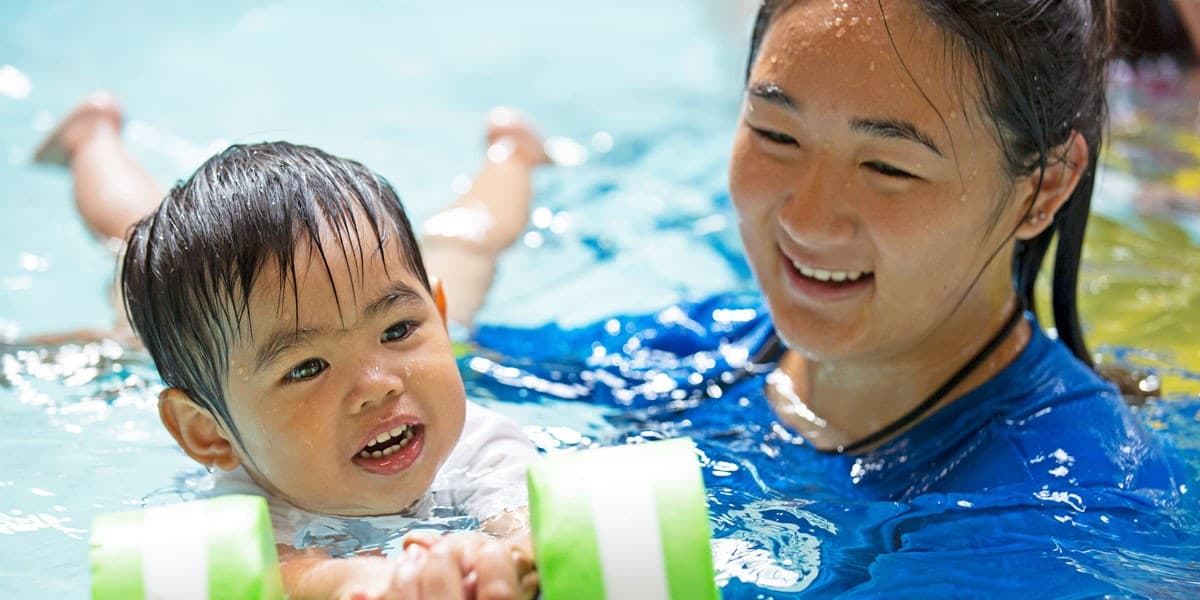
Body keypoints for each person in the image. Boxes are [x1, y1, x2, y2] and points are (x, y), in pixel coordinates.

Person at [471, 0, 1178, 592]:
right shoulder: (698, 354)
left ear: (1046, 185)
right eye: (776, 134)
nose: (806, 221)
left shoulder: (1061, 511)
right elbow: (442, 376)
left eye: (888, 166)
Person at [34, 95, 548, 600]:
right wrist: (365, 583)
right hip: (210, 341)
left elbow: (530, 526)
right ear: (208, 431)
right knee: (130, 251)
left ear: (429, 314)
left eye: (398, 331)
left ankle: (513, 152)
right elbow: (280, 572)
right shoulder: (248, 502)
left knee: (466, 245)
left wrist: (506, 561)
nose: (378, 385)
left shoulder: (475, 443)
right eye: (307, 368)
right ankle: (91, 137)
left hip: (393, 302)